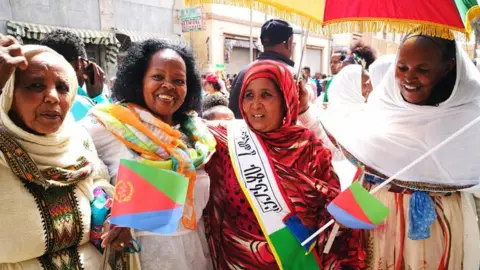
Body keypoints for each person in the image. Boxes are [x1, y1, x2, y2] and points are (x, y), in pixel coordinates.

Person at [317, 33, 480, 269]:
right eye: (402, 67)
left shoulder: (468, 118)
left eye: (422, 69)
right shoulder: (382, 105)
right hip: (376, 219)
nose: (409, 78)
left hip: (437, 228)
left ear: (448, 67)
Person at [203, 60, 365, 269]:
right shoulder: (226, 142)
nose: (255, 104)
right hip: (238, 262)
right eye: (248, 95)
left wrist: (341, 220)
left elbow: (331, 214)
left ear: (286, 99)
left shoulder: (311, 150)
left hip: (297, 262)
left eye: (266, 95)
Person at [83, 39, 216, 269]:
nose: (168, 85)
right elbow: (75, 165)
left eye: (178, 80)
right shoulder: (110, 125)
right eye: (157, 77)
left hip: (195, 257)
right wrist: (108, 212)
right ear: (139, 80)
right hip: (140, 259)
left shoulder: (200, 136)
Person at [0, 43, 117, 268]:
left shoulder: (78, 140)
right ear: (9, 94)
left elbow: (99, 182)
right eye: (35, 85)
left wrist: (110, 213)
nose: (53, 97)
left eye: (63, 87)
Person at [229, 19, 297, 119]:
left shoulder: (243, 72)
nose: (256, 106)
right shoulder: (289, 73)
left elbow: (232, 111)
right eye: (249, 95)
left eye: (266, 95)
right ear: (289, 42)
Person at [40, 30, 110, 121]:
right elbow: (112, 127)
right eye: (87, 63)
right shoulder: (80, 103)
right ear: (79, 64)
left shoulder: (34, 97)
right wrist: (98, 97)